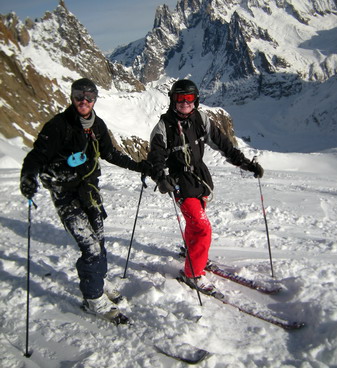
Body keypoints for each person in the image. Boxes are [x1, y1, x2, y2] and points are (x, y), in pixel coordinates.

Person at [20, 78, 151, 324]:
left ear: (95, 100)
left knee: (99, 241)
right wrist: (28, 177)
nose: (83, 100)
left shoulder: (97, 125)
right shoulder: (58, 126)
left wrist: (139, 166)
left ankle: (98, 280)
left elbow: (110, 153)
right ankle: (92, 299)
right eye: (79, 94)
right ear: (71, 96)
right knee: (90, 247)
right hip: (65, 194)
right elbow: (36, 155)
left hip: (89, 191)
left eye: (89, 96)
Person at [147, 79, 263, 293]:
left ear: (196, 100)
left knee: (195, 223)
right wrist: (160, 177)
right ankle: (192, 272)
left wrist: (246, 164)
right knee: (202, 228)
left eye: (189, 98)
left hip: (200, 179)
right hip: (180, 182)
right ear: (172, 100)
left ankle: (193, 253)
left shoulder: (201, 119)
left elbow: (224, 144)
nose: (184, 103)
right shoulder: (163, 127)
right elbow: (155, 157)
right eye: (179, 98)